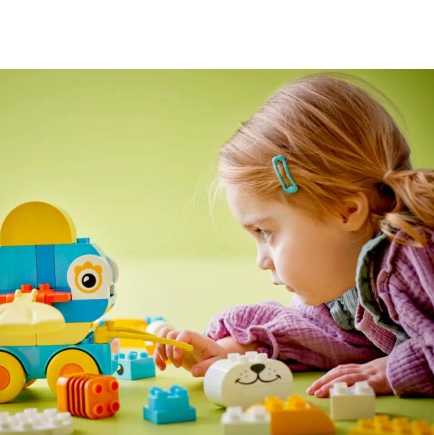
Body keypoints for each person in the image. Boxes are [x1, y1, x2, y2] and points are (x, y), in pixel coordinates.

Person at [153, 73, 434, 397]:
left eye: (265, 232)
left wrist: (393, 368)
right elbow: (319, 334)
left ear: (346, 211)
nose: (261, 261)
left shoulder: (412, 260)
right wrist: (232, 349)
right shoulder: (345, 277)